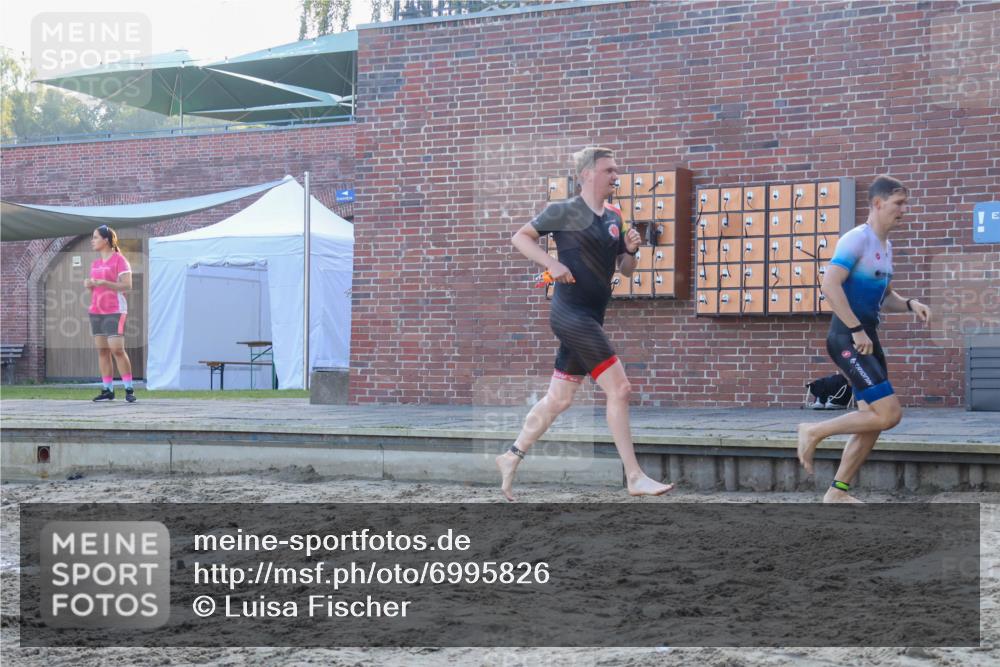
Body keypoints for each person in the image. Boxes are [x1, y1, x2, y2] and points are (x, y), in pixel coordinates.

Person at [496, 147, 674, 501]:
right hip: (570, 314)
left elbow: (626, 271)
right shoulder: (565, 210)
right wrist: (551, 264)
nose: (616, 176)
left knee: (559, 399)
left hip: (592, 315)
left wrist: (631, 250)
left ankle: (511, 455)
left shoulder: (615, 215)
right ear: (587, 174)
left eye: (616, 170)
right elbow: (520, 237)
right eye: (609, 170)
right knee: (620, 389)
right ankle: (634, 476)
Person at [797, 176, 931, 502]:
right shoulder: (857, 239)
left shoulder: (885, 247)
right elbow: (830, 285)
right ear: (877, 203)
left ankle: (837, 492)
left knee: (871, 421)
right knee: (889, 414)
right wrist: (856, 329)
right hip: (848, 338)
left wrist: (910, 304)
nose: (904, 210)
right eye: (898, 203)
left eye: (905, 203)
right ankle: (812, 431)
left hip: (867, 340)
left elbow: (884, 297)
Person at [84, 225, 137, 403]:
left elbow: (127, 286)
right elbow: (96, 289)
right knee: (102, 351)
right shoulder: (95, 264)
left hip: (115, 310)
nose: (92, 241)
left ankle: (129, 389)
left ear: (106, 240)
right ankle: (108, 390)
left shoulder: (120, 260)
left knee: (117, 350)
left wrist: (105, 282)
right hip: (96, 310)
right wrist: (90, 285)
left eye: (95, 237)